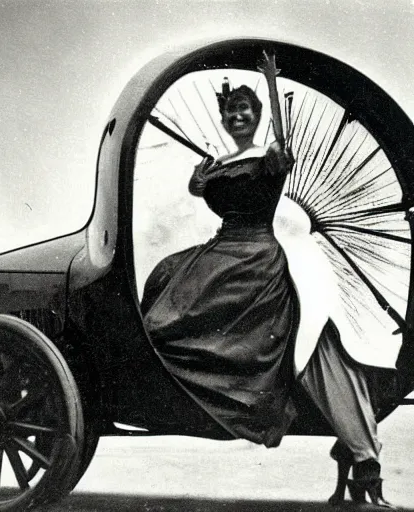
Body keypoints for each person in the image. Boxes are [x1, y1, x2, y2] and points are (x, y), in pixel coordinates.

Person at [141, 51, 394, 509]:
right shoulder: (217, 162)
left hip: (255, 253)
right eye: (231, 111)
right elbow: (200, 190)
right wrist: (198, 182)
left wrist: (272, 87)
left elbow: (283, 148)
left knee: (182, 315)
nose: (238, 116)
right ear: (224, 119)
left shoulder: (269, 156)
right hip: (223, 246)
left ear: (255, 117)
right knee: (163, 282)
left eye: (246, 110)